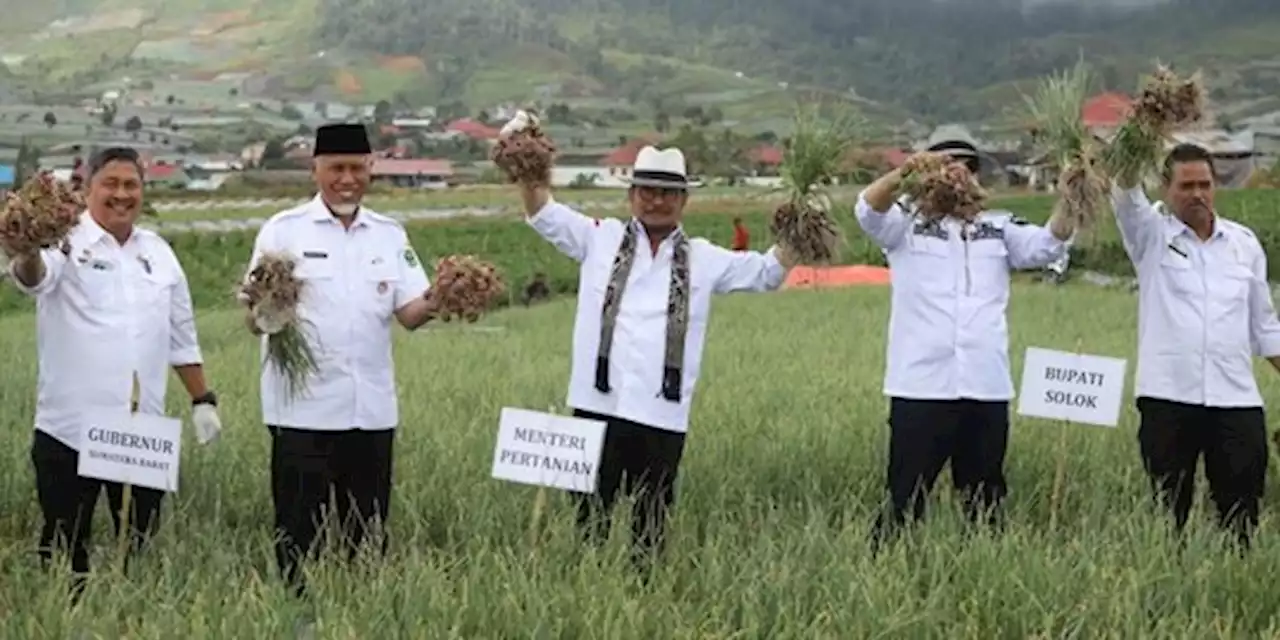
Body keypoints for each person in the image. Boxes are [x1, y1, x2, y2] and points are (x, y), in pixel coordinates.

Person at [511, 138, 797, 566]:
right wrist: (526, 162)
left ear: (684, 200)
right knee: (588, 517)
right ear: (631, 196)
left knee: (651, 521)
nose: (656, 201)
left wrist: (800, 227)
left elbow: (766, 272)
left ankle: (644, 592)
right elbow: (542, 211)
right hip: (595, 404)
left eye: (667, 193)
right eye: (647, 191)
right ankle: (587, 587)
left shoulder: (704, 258)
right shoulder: (597, 239)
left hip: (661, 412)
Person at [7, 147, 221, 599]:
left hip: (141, 430)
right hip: (70, 430)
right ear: (87, 188)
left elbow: (181, 336)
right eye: (111, 183)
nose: (122, 194)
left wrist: (203, 400)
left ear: (143, 191)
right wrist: (25, 250)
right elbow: (35, 278)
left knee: (138, 549)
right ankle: (63, 620)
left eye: (131, 185)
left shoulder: (159, 253)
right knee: (66, 552)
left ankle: (130, 618)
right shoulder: (64, 240)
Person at [243, 123, 441, 597]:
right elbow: (253, 317)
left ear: (371, 167)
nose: (347, 178)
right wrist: (265, 309)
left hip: (370, 413)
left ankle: (360, 615)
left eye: (357, 167)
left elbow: (410, 313)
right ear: (316, 169)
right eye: (336, 168)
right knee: (299, 539)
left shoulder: (390, 235)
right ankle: (300, 620)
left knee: (366, 539)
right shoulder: (283, 230)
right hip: (301, 413)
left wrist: (443, 297)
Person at [855, 146, 1075, 546]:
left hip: (985, 385)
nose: (958, 177)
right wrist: (906, 173)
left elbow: (1047, 244)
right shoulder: (905, 226)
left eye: (968, 170)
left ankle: (983, 566)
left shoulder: (998, 227)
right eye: (946, 169)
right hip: (920, 386)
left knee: (986, 498)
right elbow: (868, 210)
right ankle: (888, 565)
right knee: (905, 496)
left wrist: (1073, 197)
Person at [1110, 143, 1280, 547]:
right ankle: (1168, 592)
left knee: (1241, 513)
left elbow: (1265, 326)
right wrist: (1142, 133)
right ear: (1166, 189)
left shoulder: (1244, 244)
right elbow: (1124, 192)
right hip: (1169, 398)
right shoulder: (1150, 235)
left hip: (1235, 399)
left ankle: (1232, 585)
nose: (1197, 194)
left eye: (1205, 184)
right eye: (1186, 186)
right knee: (1169, 513)